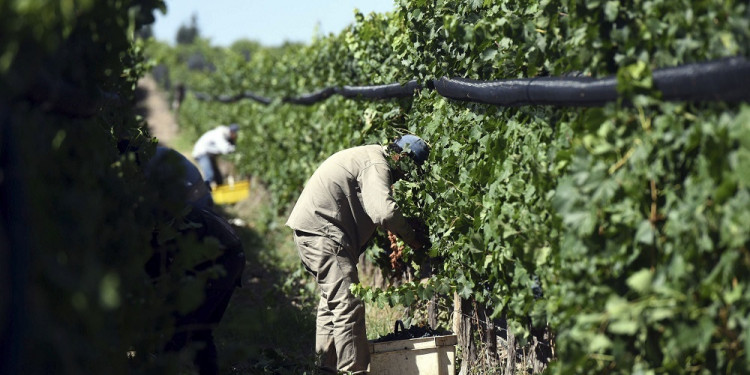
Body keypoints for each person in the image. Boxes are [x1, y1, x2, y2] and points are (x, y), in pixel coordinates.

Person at [285, 134, 431, 374]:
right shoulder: (377, 163)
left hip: (313, 231)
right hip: (324, 235)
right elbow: (383, 212)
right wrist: (412, 238)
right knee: (348, 304)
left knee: (332, 304)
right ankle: (353, 371)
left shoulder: (368, 156)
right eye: (409, 169)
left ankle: (325, 368)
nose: (407, 176)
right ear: (402, 157)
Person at [144, 146, 245, 375]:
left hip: (225, 257)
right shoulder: (157, 202)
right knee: (198, 331)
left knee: (181, 331)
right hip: (227, 250)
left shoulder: (154, 222)